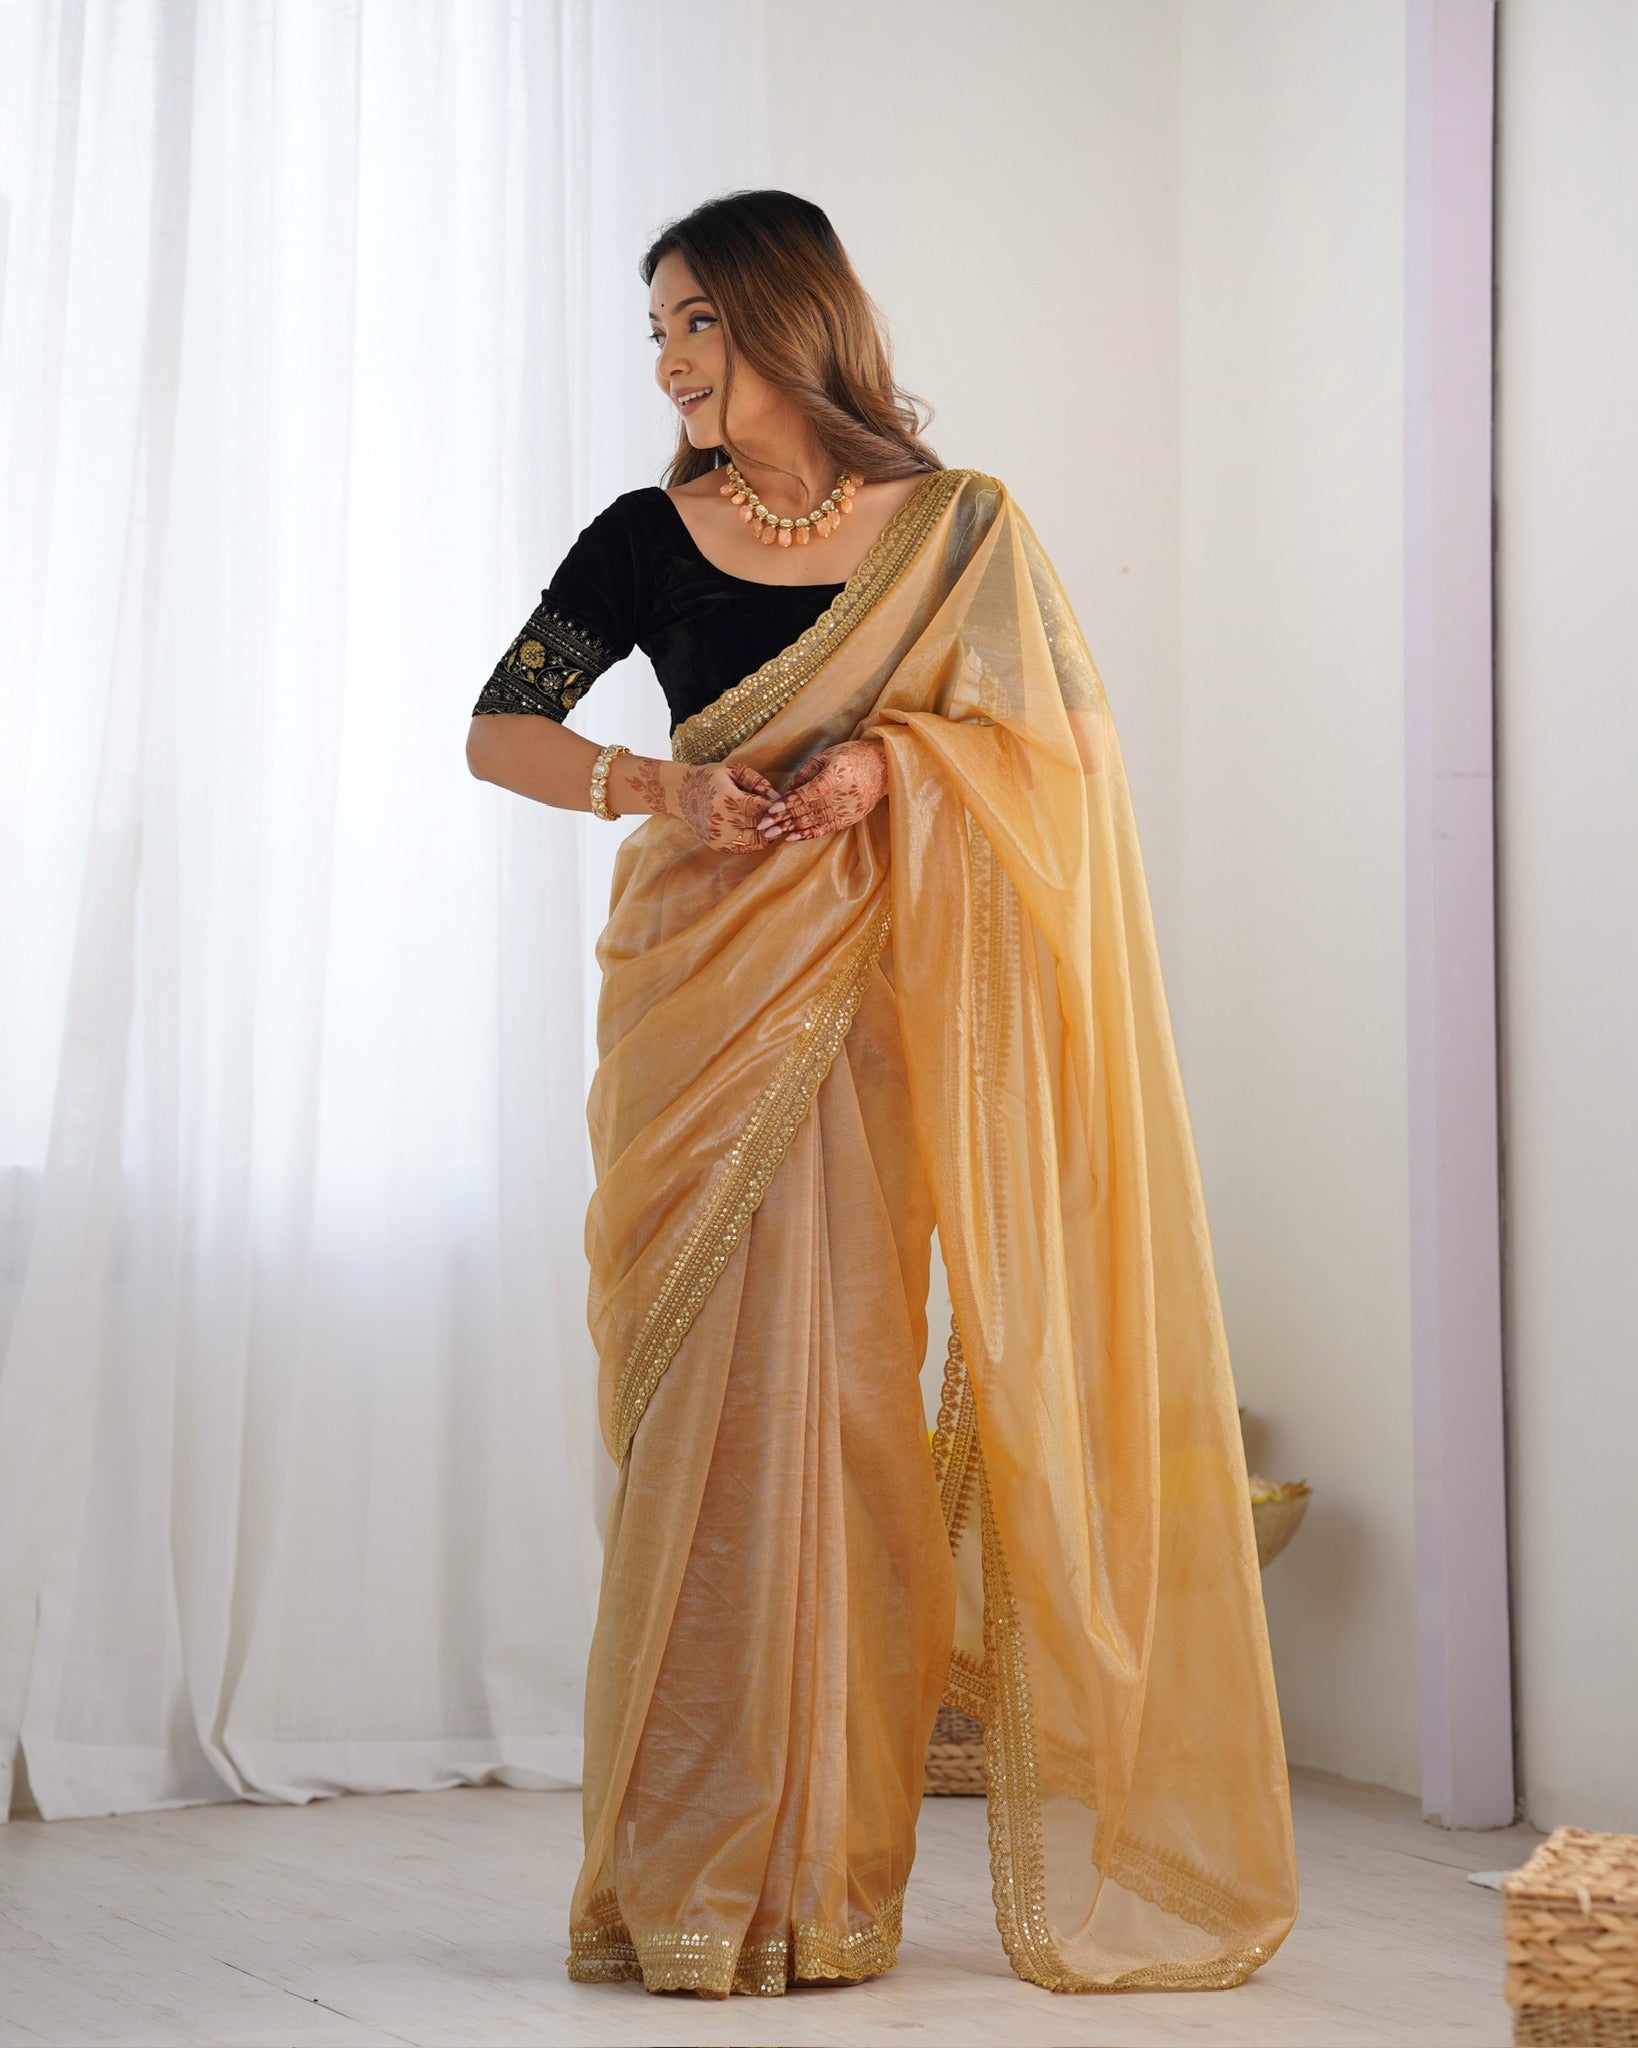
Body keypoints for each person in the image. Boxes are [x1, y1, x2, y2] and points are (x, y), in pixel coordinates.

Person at [466, 188, 1298, 2002]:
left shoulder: (957, 528)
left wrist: (891, 766)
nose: (670, 359)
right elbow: (498, 730)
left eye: (697, 320)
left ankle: (827, 1883)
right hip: (696, 1002)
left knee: (841, 1408)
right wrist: (661, 790)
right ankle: (681, 1880)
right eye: (656, 330)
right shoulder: (643, 535)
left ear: (789, 320)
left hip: (862, 1007)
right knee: (700, 1427)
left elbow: (1070, 748)